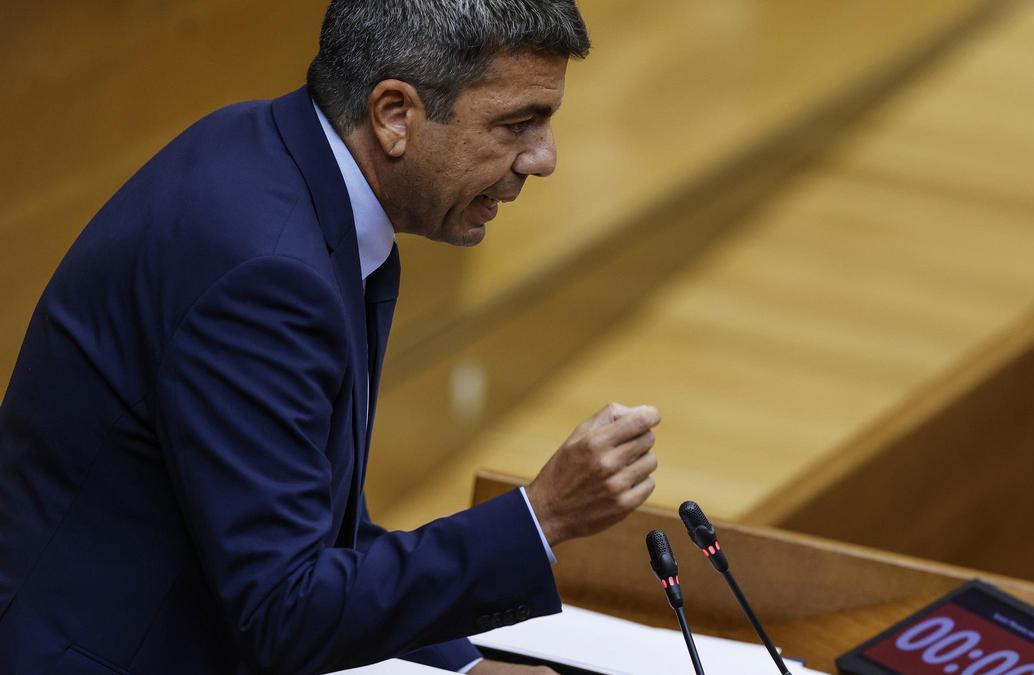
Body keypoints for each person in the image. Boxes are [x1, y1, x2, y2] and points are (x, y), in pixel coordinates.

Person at [0, 1, 661, 673]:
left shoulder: (281, 162)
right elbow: (285, 611)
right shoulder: (266, 272)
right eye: (517, 123)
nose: (543, 159)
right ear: (395, 115)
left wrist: (463, 663)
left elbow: (315, 528)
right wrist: (540, 515)